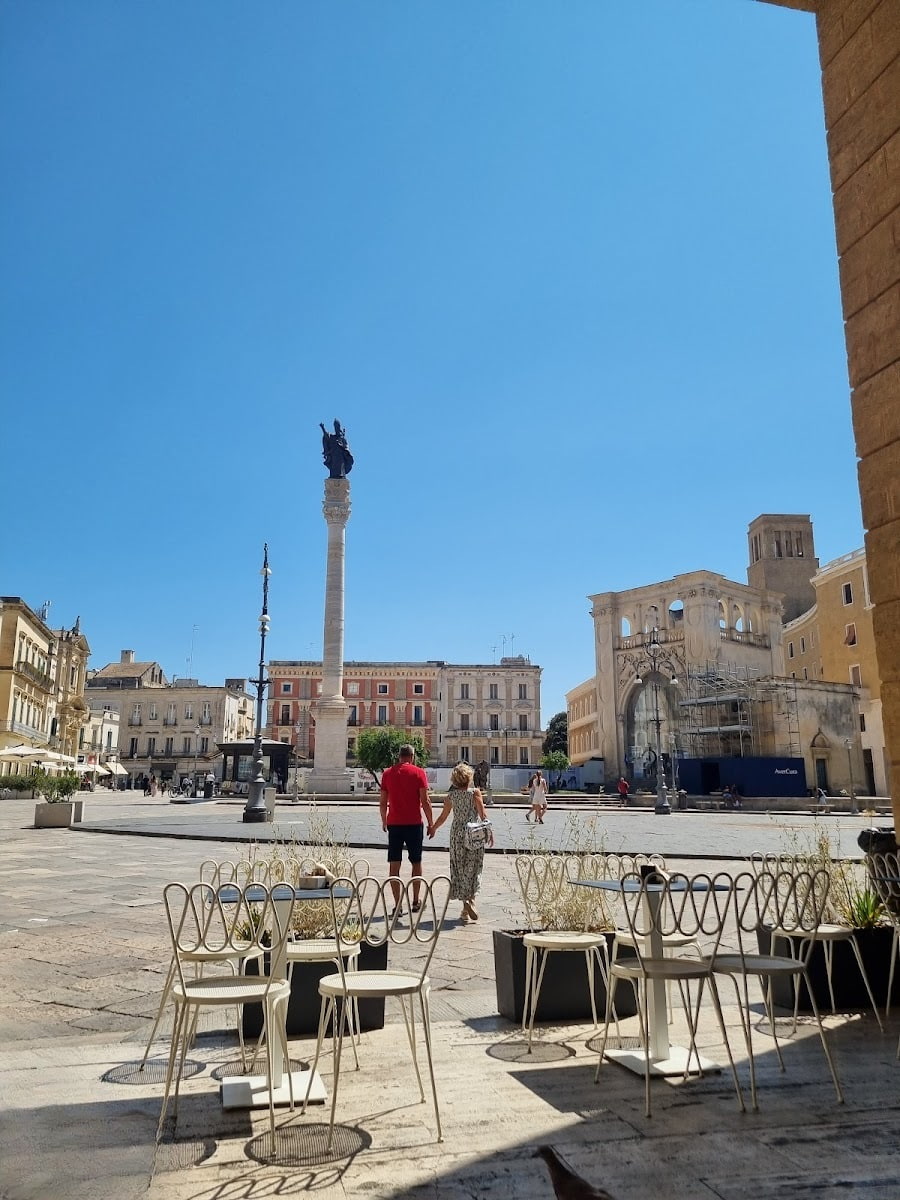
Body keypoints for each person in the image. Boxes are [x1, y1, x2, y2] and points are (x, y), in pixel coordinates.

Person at [430, 761, 489, 923]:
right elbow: (483, 815)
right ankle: (471, 901)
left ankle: (465, 907)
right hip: (473, 833)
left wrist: (433, 828)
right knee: (474, 867)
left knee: (460, 868)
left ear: (454, 780)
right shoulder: (475, 793)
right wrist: (489, 832)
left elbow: (443, 817)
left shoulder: (451, 796)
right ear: (469, 778)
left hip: (457, 835)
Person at [380, 744, 433, 910]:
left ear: (399, 756)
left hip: (394, 824)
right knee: (416, 862)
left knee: (394, 864)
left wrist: (384, 820)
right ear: (412, 756)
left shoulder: (387, 774)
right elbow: (425, 801)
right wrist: (431, 823)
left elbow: (383, 802)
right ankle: (416, 902)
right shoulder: (419, 773)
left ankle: (398, 905)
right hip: (414, 824)